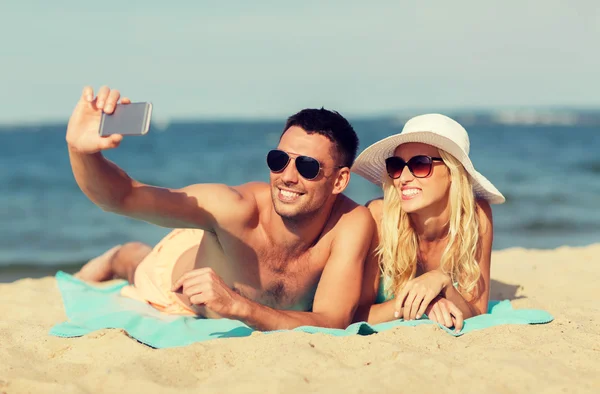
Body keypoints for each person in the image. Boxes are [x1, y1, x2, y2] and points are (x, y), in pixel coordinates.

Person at [67, 86, 375, 330]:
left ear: (339, 180)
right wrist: (82, 153)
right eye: (279, 160)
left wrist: (238, 306)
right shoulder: (232, 208)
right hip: (175, 273)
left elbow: (332, 321)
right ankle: (120, 256)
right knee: (138, 265)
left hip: (219, 248)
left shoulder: (350, 223)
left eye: (307, 167)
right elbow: (123, 197)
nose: (288, 177)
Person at [350, 114, 505, 331]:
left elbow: (477, 312)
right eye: (396, 166)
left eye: (420, 164)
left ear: (453, 172)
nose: (403, 178)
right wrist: (425, 301)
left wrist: (443, 283)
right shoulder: (379, 217)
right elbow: (354, 314)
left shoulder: (475, 217)